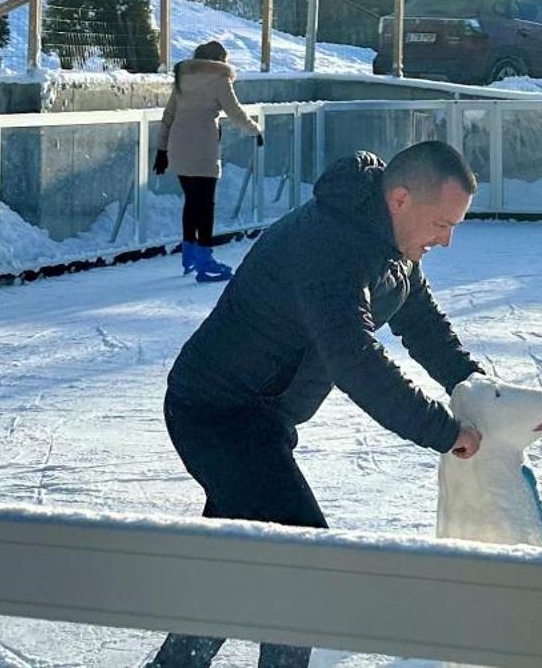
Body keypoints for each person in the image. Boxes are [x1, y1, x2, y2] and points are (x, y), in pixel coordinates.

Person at [147, 140, 486, 668]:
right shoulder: (330, 247)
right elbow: (357, 361)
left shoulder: (389, 246)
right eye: (443, 223)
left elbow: (422, 324)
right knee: (307, 564)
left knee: (234, 560)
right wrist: (446, 431)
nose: (447, 239)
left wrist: (477, 388)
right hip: (217, 412)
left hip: (262, 417)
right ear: (400, 200)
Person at [154, 38, 264, 282]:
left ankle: (189, 255)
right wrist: (256, 130)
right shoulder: (220, 78)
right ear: (220, 59)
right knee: (205, 205)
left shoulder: (183, 77)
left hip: (178, 146)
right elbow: (235, 112)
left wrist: (161, 150)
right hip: (202, 147)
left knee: (191, 201)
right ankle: (205, 260)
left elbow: (169, 114)